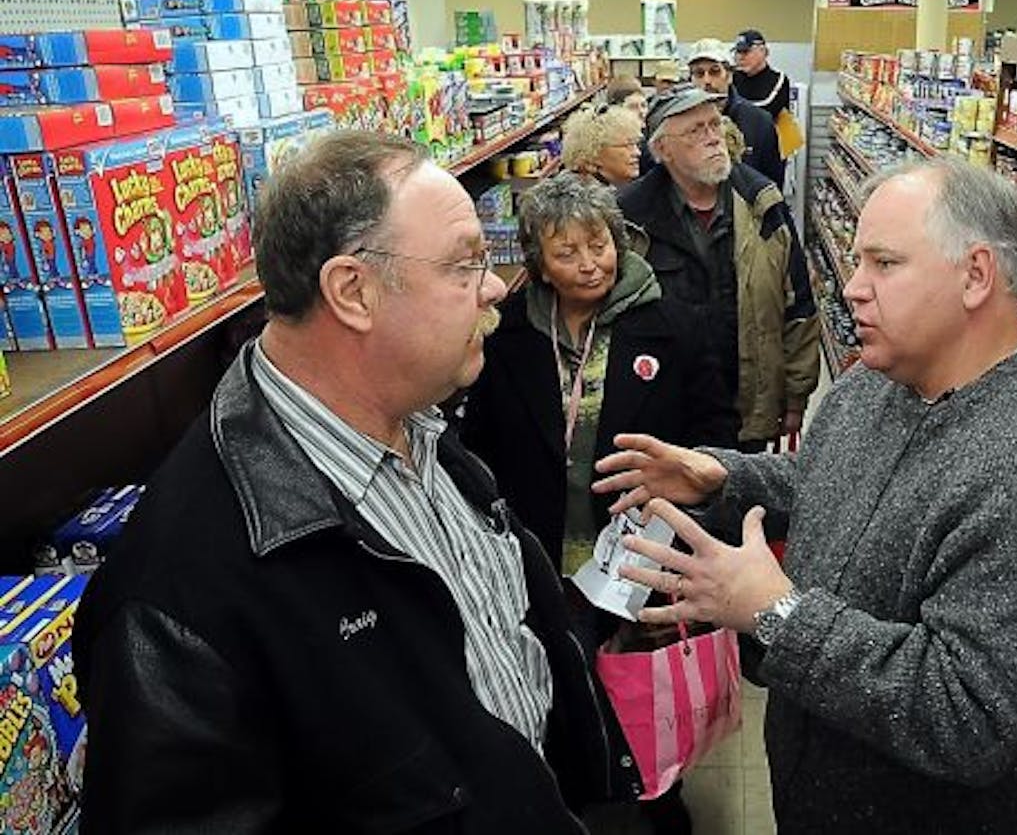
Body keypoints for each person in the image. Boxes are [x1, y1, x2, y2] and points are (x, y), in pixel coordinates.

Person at [73, 131, 624, 833]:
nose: (493, 286)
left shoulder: (423, 424)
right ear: (352, 292)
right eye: (464, 264)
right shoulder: (180, 596)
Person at [595, 156, 1017, 834]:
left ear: (976, 276)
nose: (852, 288)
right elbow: (831, 481)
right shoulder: (876, 383)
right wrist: (725, 478)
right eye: (856, 262)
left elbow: (968, 713)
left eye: (884, 263)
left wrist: (777, 615)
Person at [461, 171, 736, 575]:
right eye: (567, 254)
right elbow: (481, 443)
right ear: (540, 265)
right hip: (532, 553)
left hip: (642, 554)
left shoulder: (676, 327)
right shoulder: (505, 333)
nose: (589, 266)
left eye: (599, 245)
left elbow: (715, 434)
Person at [619, 85, 819, 451]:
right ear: (663, 150)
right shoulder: (629, 216)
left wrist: (796, 395)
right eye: (696, 131)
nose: (713, 138)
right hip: (664, 408)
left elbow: (799, 304)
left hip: (746, 404)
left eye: (714, 124)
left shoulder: (763, 203)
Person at [685, 38, 783, 186]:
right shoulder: (680, 124)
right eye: (699, 73)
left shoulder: (759, 122)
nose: (707, 81)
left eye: (714, 71)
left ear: (729, 75)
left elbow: (773, 183)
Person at [562, 103, 643, 187]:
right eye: (627, 145)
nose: (637, 152)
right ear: (593, 153)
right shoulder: (588, 198)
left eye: (635, 144)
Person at [731, 29, 790, 121]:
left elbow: (768, 111)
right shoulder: (731, 78)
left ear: (763, 51)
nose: (740, 57)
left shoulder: (778, 79)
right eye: (738, 52)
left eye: (746, 52)